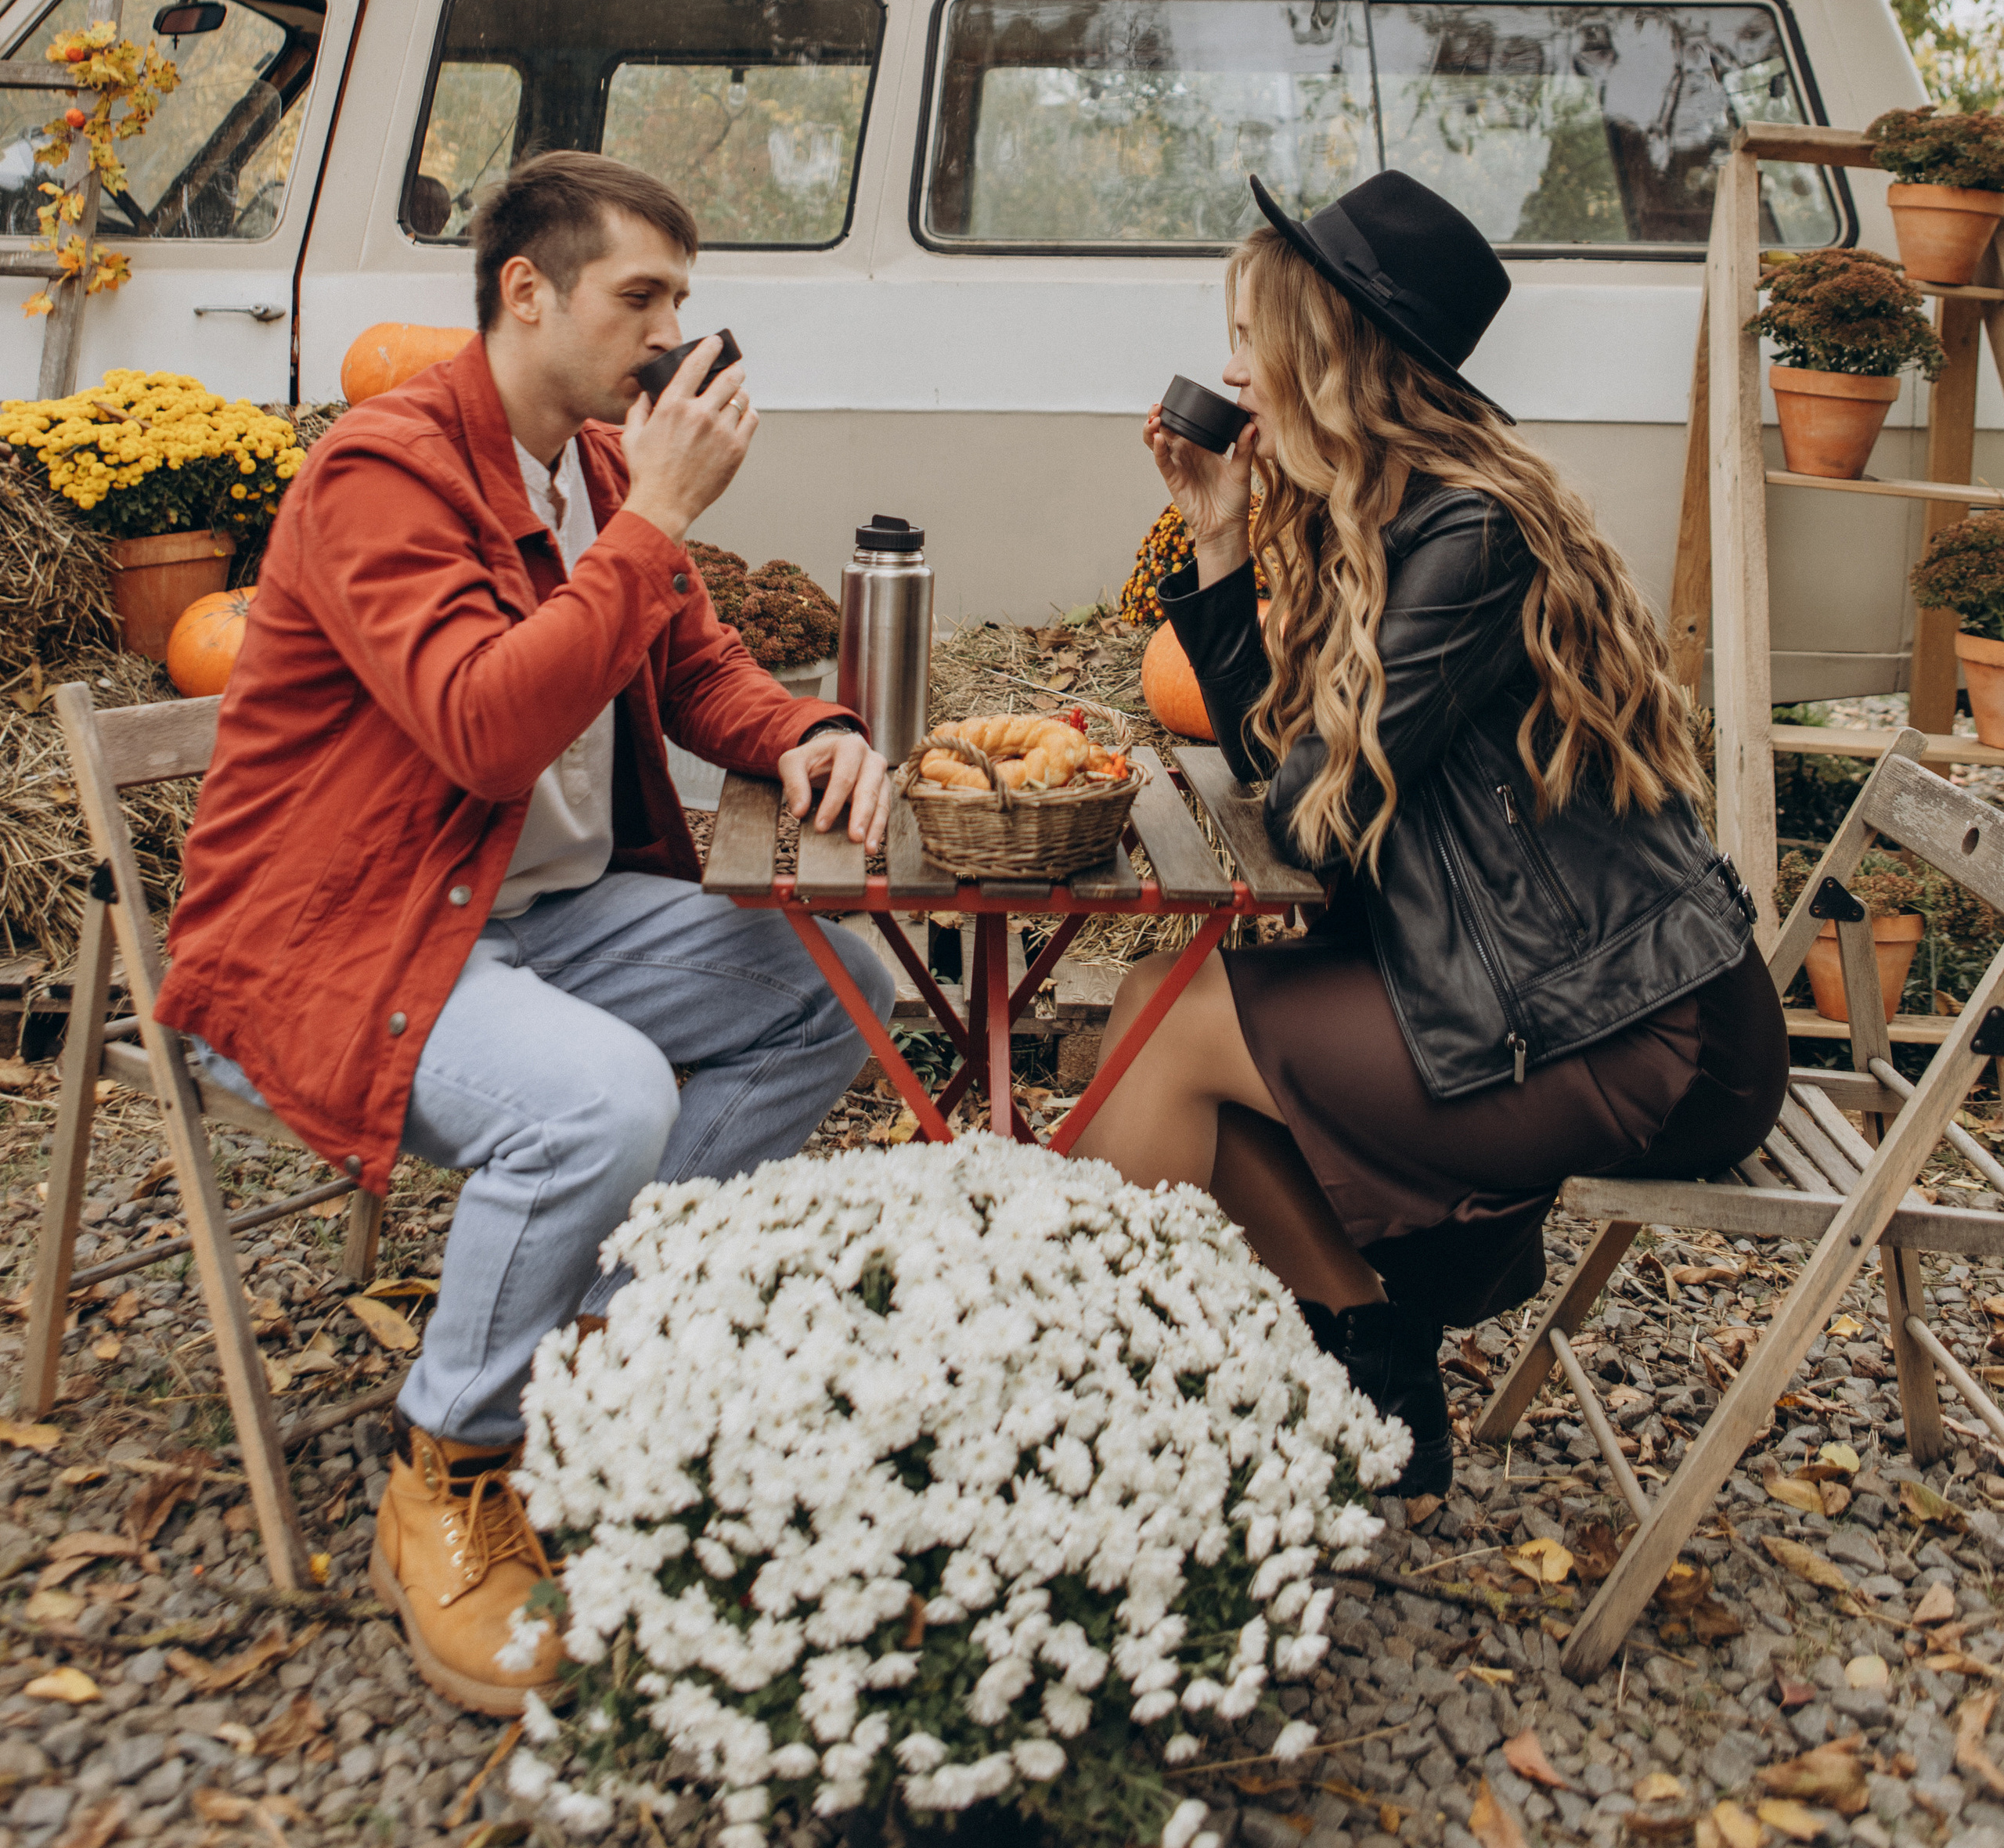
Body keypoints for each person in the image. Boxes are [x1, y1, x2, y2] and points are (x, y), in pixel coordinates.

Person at [155, 151, 897, 1709]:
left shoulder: (603, 473)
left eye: (682, 301)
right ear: (525, 291)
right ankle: (450, 1463)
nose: (670, 333)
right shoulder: (386, 473)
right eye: (641, 297)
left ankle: (594, 1358)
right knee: (601, 1098)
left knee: (837, 979)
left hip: (538, 919)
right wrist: (664, 517)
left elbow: (693, 671)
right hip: (341, 948)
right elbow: (486, 735)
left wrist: (799, 733)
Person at [1072, 168, 1785, 1493]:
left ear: (1328, 356)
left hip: (1650, 1037)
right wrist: (1222, 540)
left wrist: (1284, 716)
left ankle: (1083, 1403)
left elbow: (1313, 811)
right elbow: (1274, 762)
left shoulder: (1469, 539)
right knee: (1155, 1010)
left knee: (1169, 1030)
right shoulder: (1392, 518)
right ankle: (1370, 1363)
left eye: (1252, 341)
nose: (1231, 371)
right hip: (1541, 991)